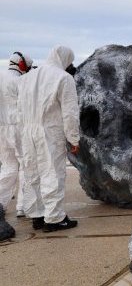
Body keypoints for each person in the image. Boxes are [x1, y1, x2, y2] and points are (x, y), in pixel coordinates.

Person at [17, 45, 80, 232]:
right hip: (49, 131)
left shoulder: (26, 78)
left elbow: (19, 109)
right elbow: (70, 113)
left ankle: (37, 215)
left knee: (32, 173)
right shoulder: (64, 78)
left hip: (28, 131)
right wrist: (74, 139)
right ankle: (54, 218)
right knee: (52, 173)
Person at [0, 52, 33, 216]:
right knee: (25, 166)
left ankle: (1, 204)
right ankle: (23, 206)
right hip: (18, 127)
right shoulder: (22, 81)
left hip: (1, 129)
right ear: (22, 65)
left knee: (8, 167)